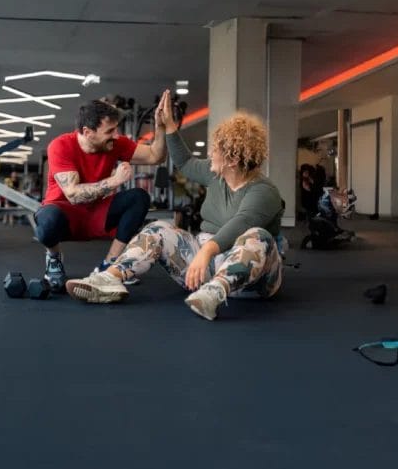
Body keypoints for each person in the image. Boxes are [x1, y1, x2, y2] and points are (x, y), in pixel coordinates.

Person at [65, 104, 285, 321]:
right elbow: (185, 162)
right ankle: (110, 277)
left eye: (215, 150)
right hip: (204, 268)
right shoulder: (216, 176)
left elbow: (241, 222)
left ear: (233, 160)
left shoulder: (264, 192)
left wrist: (205, 251)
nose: (209, 154)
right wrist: (169, 125)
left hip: (251, 282)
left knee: (257, 235)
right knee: (157, 229)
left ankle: (214, 294)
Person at [37, 92, 173, 287]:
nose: (116, 135)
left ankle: (110, 265)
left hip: (96, 212)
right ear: (87, 132)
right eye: (109, 131)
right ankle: (54, 259)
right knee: (47, 221)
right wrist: (114, 181)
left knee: (139, 197)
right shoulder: (60, 146)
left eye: (116, 129)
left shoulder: (115, 144)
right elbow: (73, 195)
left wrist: (160, 127)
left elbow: (155, 156)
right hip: (64, 212)